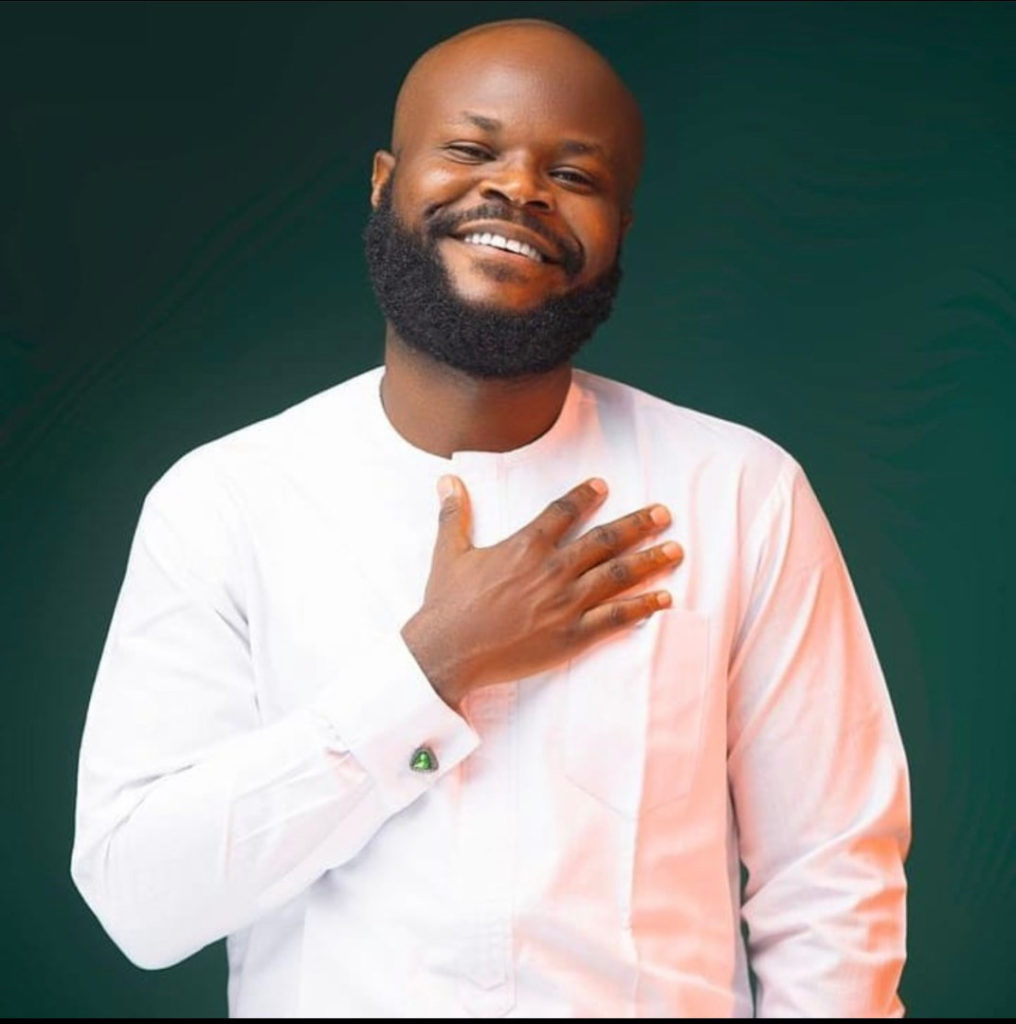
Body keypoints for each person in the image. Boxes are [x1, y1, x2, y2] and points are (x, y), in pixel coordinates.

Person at [71, 18, 910, 1018]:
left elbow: (831, 885)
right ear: (385, 181)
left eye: (574, 173)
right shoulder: (226, 501)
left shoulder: (740, 492)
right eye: (472, 149)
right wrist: (432, 667)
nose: (519, 189)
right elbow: (141, 900)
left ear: (619, 230)